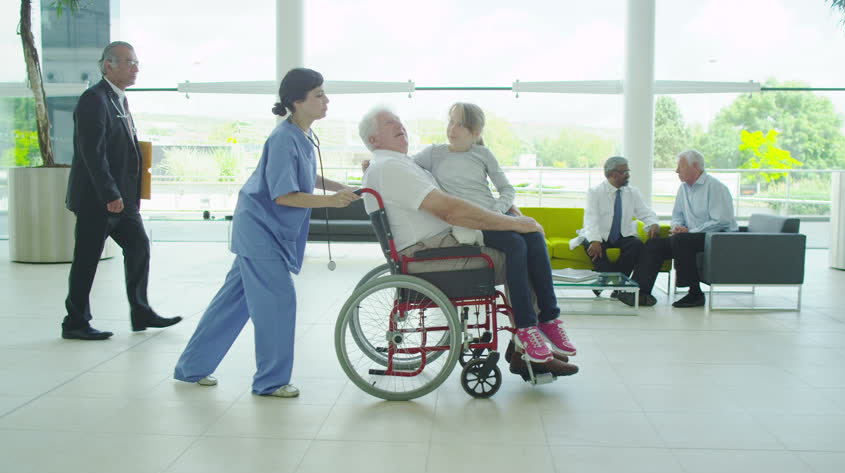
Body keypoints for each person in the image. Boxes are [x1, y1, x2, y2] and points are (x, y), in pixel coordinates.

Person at [173, 68, 359, 397]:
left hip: (260, 229)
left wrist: (341, 187)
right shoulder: (283, 138)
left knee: (231, 303)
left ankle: (191, 368)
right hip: (260, 232)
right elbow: (284, 194)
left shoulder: (299, 135)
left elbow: (305, 177)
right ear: (297, 101)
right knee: (278, 302)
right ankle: (270, 382)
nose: (326, 100)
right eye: (318, 95)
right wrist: (331, 201)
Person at [359, 105, 577, 377]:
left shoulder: (398, 163)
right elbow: (450, 210)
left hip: (442, 243)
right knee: (518, 250)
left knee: (527, 240)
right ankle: (527, 339)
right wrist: (514, 223)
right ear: (374, 140)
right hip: (431, 254)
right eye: (390, 122)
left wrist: (514, 217)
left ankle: (535, 332)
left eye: (400, 120)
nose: (399, 124)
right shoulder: (391, 166)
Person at [62, 41, 181, 340]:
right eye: (128, 62)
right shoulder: (94, 99)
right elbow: (92, 152)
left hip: (123, 200)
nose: (135, 67)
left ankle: (140, 311)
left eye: (136, 62)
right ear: (107, 65)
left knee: (139, 246)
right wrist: (109, 193)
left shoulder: (118, 99)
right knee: (87, 259)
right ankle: (75, 322)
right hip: (98, 199)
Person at [621, 149, 737, 308]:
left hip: (717, 238)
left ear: (695, 166)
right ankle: (640, 292)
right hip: (688, 237)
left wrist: (690, 232)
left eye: (680, 167)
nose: (676, 171)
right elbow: (677, 215)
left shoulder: (716, 187)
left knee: (681, 240)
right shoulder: (683, 189)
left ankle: (695, 293)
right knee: (654, 244)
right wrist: (677, 227)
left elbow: (722, 221)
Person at [573, 156, 659, 303]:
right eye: (624, 171)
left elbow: (645, 212)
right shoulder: (595, 192)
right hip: (600, 235)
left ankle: (609, 283)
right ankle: (617, 284)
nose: (628, 174)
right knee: (592, 246)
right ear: (613, 174)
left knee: (636, 245)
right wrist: (594, 240)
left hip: (622, 235)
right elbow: (590, 219)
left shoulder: (633, 192)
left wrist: (653, 223)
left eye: (628, 171)